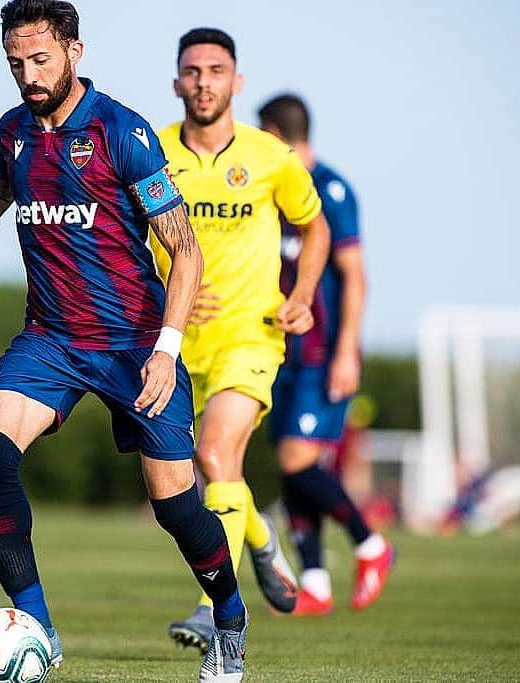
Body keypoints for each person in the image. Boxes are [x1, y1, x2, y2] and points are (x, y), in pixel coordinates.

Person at [0, 2, 247, 680]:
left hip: (134, 344)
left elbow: (185, 251)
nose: (28, 74)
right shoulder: (13, 131)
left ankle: (229, 618)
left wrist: (165, 348)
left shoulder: (121, 131)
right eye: (16, 62)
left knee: (177, 507)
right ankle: (38, 628)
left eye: (40, 59)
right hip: (49, 337)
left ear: (75, 51)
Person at [151, 28, 331, 651]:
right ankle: (259, 538)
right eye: (193, 71)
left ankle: (211, 607)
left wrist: (302, 294)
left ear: (237, 82)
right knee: (206, 474)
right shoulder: (149, 152)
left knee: (213, 456)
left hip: (250, 338)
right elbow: (122, 240)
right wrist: (164, 290)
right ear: (177, 82)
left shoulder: (269, 157)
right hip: (173, 345)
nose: (204, 81)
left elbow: (315, 228)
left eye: (216, 70)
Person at [258, 94, 393, 615]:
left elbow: (356, 277)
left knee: (297, 457)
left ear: (273, 132)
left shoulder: (331, 191)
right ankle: (315, 581)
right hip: (281, 349)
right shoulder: (274, 188)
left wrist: (346, 353)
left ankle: (371, 544)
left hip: (322, 352)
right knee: (293, 464)